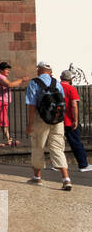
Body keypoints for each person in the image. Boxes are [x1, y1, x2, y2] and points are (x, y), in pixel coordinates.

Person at [26, 61, 71, 190]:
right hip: (57, 119)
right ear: (50, 72)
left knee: (38, 146)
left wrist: (30, 123)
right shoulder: (57, 83)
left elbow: (31, 104)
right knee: (57, 147)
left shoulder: (34, 83)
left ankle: (37, 177)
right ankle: (66, 179)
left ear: (39, 70)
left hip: (41, 119)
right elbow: (62, 101)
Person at [0, 61, 26, 147]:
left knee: (3, 121)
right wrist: (21, 80)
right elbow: (9, 84)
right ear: (1, 70)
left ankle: (8, 139)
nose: (8, 72)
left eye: (9, 70)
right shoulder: (0, 77)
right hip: (0, 102)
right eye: (7, 70)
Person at [60, 69, 90, 173]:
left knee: (57, 143)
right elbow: (74, 105)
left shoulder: (56, 87)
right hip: (68, 121)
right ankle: (83, 165)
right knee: (76, 143)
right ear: (71, 79)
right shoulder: (71, 89)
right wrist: (76, 120)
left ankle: (58, 164)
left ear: (61, 78)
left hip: (57, 120)